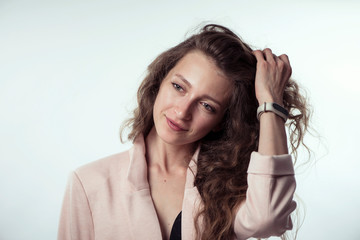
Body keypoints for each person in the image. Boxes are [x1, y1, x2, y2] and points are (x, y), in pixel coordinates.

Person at [58, 24, 309, 240]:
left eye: (207, 105)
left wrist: (270, 104)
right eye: (178, 87)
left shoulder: (230, 187)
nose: (181, 112)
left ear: (222, 121)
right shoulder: (88, 183)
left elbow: (268, 217)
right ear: (159, 82)